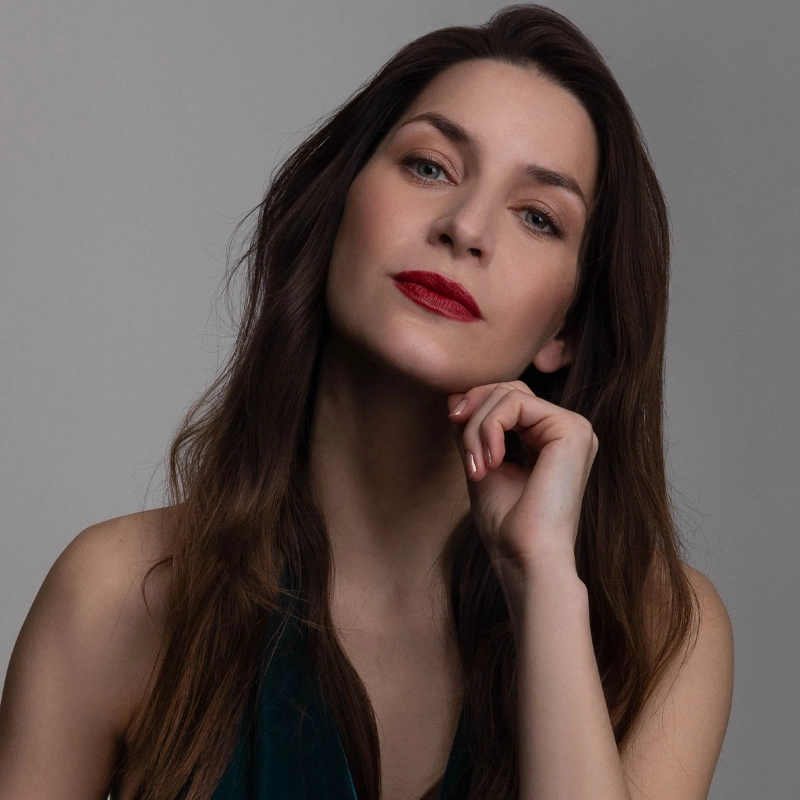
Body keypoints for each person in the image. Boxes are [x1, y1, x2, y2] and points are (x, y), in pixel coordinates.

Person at [0, 5, 734, 799]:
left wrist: (544, 582)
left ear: (566, 328)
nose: (466, 227)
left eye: (537, 216)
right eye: (430, 167)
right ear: (336, 207)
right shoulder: (120, 594)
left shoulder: (659, 630)